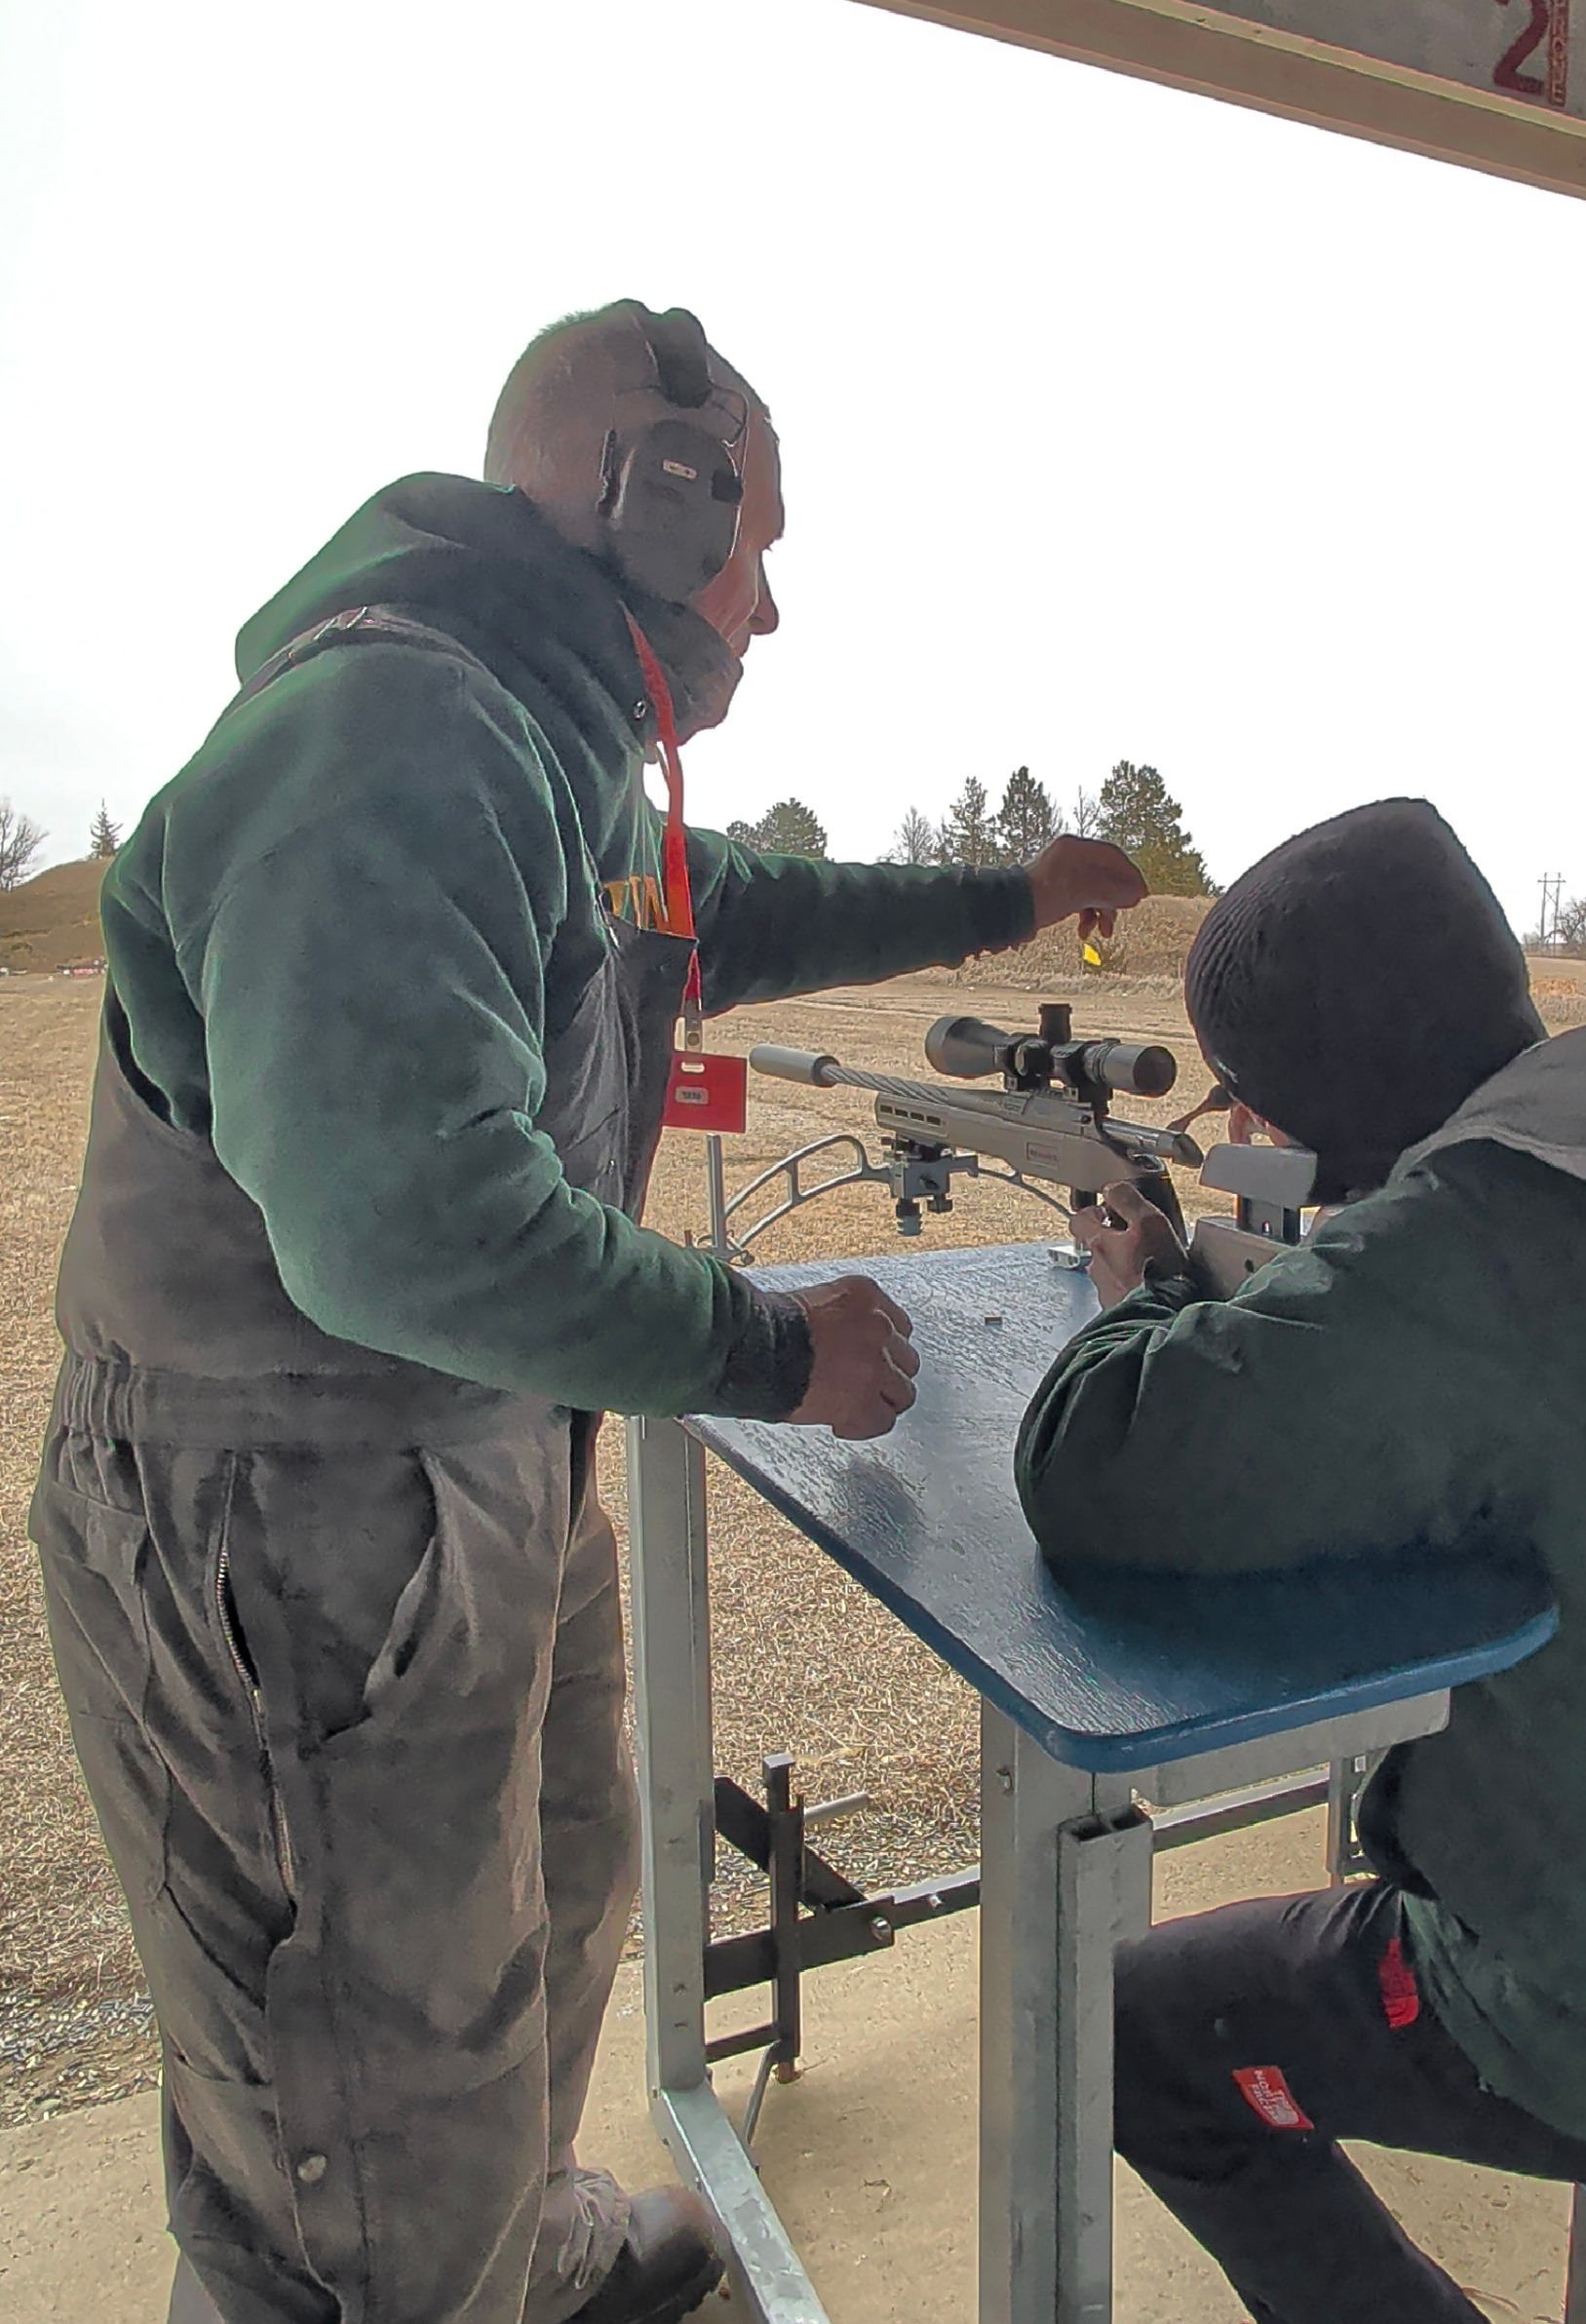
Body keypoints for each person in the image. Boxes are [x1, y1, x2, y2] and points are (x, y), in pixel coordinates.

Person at [30, 299, 1142, 2324]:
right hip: (296, 1500)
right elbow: (405, 1230)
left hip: (462, 1454)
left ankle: (507, 2259)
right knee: (358, 2107)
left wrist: (1007, 892)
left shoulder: (546, 750)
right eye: (757, 547)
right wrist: (769, 1346)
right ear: (645, 501)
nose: (771, 607)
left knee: (547, 1898)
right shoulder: (398, 733)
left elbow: (729, 918)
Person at [1016, 800, 1586, 2324]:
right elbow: (1494, 1354)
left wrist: (1137, 1298)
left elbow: (1096, 1470)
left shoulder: (1471, 1249)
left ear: (1333, 1088)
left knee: (1126, 2031)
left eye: (1260, 1097)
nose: (1247, 1131)